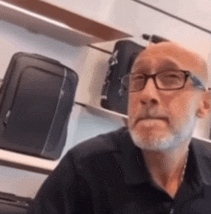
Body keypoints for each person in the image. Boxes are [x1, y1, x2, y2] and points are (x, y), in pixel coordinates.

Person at [27, 42, 211, 214]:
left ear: (205, 104)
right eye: (138, 79)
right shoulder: (85, 167)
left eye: (171, 78)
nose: (146, 94)